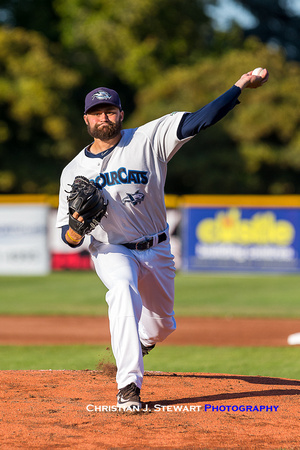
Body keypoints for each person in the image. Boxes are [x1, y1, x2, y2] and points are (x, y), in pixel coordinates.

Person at [56, 68, 269, 411]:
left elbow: (201, 120)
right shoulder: (73, 170)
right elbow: (67, 238)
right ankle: (128, 387)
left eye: (109, 110)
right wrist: (76, 229)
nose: (103, 117)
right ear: (86, 120)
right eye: (96, 113)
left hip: (156, 247)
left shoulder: (147, 138)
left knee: (162, 326)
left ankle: (139, 342)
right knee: (122, 292)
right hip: (112, 249)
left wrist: (240, 86)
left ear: (121, 114)